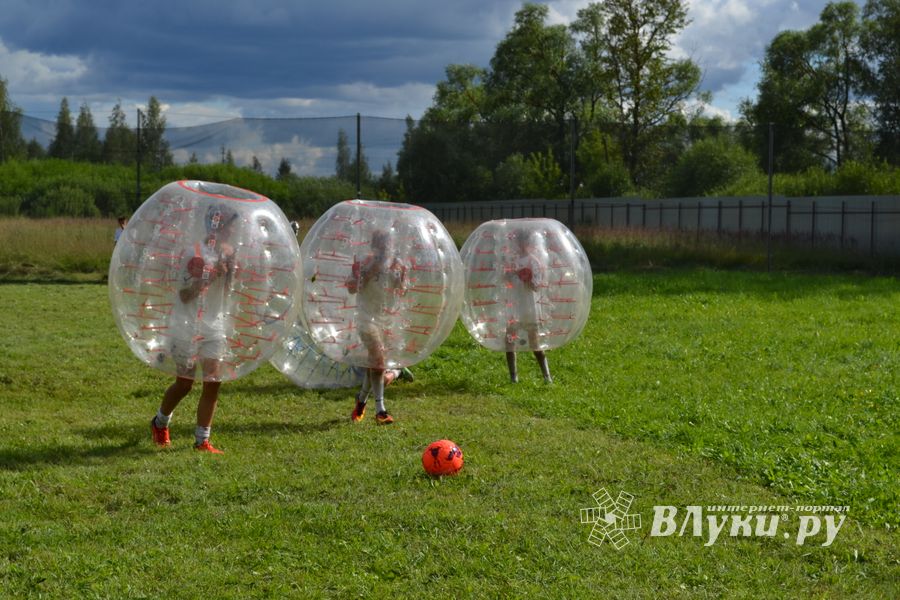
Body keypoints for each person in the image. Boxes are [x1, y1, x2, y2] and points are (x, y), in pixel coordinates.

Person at [150, 204, 239, 453]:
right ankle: (160, 421)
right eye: (231, 224)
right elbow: (185, 295)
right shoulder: (194, 253)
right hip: (187, 325)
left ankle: (202, 441)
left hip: (214, 325)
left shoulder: (230, 253)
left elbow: (227, 293)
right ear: (218, 225)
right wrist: (210, 276)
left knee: (213, 380)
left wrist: (230, 274)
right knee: (185, 383)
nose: (234, 230)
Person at [346, 229, 409, 424]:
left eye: (388, 244)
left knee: (375, 364)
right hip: (365, 318)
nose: (386, 248)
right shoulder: (364, 262)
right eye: (382, 244)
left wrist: (400, 280)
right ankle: (380, 410)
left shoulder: (396, 264)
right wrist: (369, 273)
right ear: (374, 245)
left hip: (384, 319)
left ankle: (361, 400)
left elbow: (401, 291)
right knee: (379, 359)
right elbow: (350, 287)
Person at [505, 228, 552, 384]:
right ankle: (513, 377)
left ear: (529, 243)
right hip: (514, 305)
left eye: (523, 242)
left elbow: (537, 286)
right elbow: (505, 279)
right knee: (510, 340)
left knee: (534, 342)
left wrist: (530, 279)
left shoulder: (533, 261)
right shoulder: (512, 261)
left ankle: (547, 376)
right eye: (517, 242)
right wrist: (511, 273)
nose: (519, 245)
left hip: (529, 305)